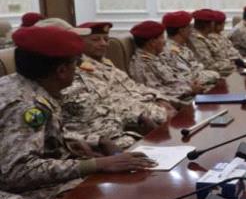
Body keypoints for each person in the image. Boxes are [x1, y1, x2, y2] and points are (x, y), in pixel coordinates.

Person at [0, 26, 155, 199]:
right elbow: (17, 172)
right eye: (76, 63)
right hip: (9, 187)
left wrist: (89, 142)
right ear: (61, 71)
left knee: (98, 194)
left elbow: (42, 138)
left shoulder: (21, 84)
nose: (79, 68)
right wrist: (95, 164)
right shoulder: (26, 106)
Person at [61, 22, 171, 152]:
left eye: (106, 39)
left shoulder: (106, 63)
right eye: (96, 40)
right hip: (119, 125)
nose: (103, 44)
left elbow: (132, 86)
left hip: (129, 118)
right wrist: (140, 115)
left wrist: (159, 97)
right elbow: (111, 103)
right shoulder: (76, 73)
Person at [128, 20, 204, 100]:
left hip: (184, 92)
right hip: (174, 101)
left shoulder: (157, 57)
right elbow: (155, 92)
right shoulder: (143, 64)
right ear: (152, 42)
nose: (165, 42)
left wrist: (191, 83)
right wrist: (189, 89)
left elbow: (173, 77)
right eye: (162, 37)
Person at [162, 10, 220, 87]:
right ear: (182, 30)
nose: (191, 29)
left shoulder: (182, 46)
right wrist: (214, 75)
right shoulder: (171, 51)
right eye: (189, 26)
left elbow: (198, 68)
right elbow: (186, 78)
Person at [189, 9, 234, 76]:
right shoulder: (196, 39)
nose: (214, 24)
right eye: (213, 22)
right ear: (208, 25)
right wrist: (230, 63)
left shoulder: (206, 36)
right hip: (212, 74)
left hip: (221, 70)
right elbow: (209, 65)